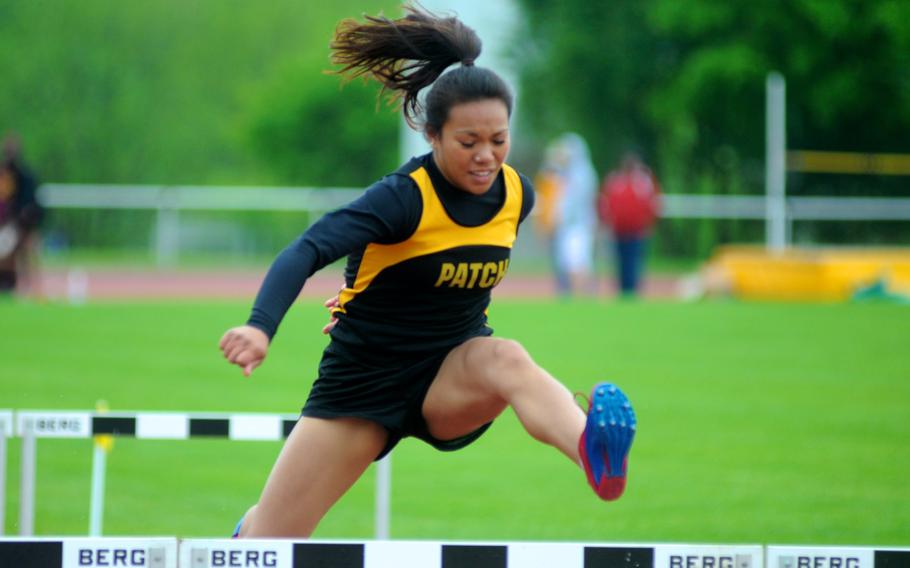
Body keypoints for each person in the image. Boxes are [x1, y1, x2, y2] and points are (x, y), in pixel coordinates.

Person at [219, 4, 637, 539]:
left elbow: (455, 273)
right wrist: (260, 325)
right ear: (432, 136)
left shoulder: (516, 196)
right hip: (364, 384)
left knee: (507, 357)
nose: (487, 156)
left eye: (499, 140)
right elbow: (307, 249)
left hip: (451, 375)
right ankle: (243, 536)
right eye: (469, 143)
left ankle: (593, 451)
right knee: (269, 543)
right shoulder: (401, 199)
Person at [535, 133, 598, 296]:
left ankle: (582, 296)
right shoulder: (567, 173)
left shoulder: (582, 174)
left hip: (577, 226)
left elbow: (576, 203)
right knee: (569, 263)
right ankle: (577, 295)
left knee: (576, 263)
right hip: (568, 227)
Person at [598, 152, 661, 297]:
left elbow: (653, 204)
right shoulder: (615, 180)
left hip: (637, 231)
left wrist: (649, 224)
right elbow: (605, 203)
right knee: (620, 262)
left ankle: (632, 291)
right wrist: (605, 222)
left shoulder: (644, 181)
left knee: (634, 262)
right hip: (618, 230)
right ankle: (623, 291)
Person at [0, 133, 45, 296]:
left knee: (28, 249)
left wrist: (27, 224)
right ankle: (7, 282)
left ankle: (31, 288)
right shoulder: (4, 175)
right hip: (6, 225)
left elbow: (34, 205)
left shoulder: (26, 177)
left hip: (22, 226)